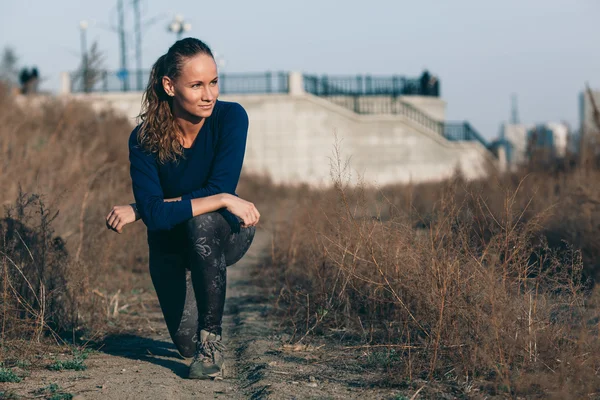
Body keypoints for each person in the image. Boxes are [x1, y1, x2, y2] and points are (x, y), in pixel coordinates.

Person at [104, 37, 260, 380]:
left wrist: (143, 208)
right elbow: (161, 216)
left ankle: (212, 342)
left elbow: (217, 191)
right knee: (184, 346)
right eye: (197, 85)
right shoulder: (143, 139)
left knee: (202, 223)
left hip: (224, 232)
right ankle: (197, 343)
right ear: (169, 85)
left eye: (214, 82)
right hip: (169, 245)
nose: (209, 94)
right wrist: (151, 208)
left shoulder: (231, 118)